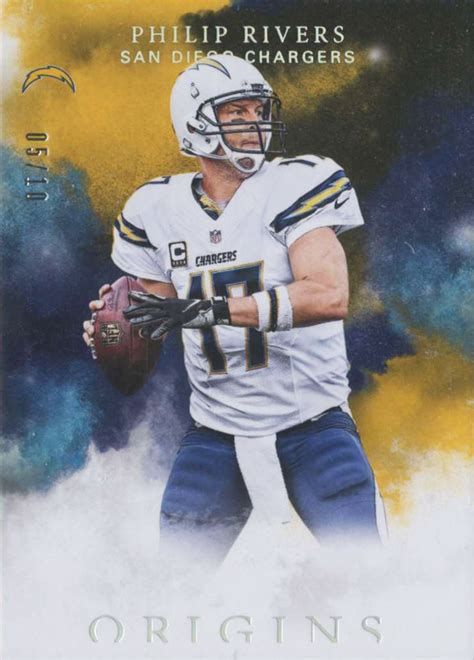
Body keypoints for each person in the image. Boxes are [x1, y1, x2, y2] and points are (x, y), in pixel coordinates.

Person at [83, 55, 387, 571]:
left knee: (372, 577)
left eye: (259, 110)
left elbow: (329, 295)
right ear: (196, 124)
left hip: (312, 425)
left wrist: (210, 309)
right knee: (174, 584)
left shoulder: (297, 183)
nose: (255, 123)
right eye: (236, 112)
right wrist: (114, 332)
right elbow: (152, 318)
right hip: (216, 432)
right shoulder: (155, 209)